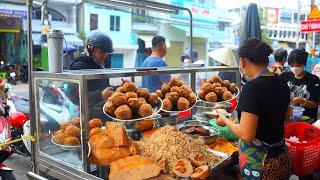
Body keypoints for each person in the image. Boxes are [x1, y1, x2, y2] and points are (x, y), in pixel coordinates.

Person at [216, 38, 291, 180]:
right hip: (281, 158)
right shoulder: (282, 83)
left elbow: (246, 134)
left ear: (242, 61)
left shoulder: (252, 87)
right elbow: (287, 117)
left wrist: (225, 120)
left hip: (262, 165)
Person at [68, 30, 114, 119]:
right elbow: (75, 97)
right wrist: (100, 95)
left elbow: (103, 87)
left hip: (104, 114)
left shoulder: (100, 66)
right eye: (101, 52)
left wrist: (117, 89)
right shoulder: (78, 66)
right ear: (90, 49)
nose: (104, 57)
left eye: (106, 54)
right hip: (87, 118)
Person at [280, 49, 320, 121]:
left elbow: (315, 104)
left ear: (303, 64)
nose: (292, 67)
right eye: (290, 65)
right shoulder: (284, 76)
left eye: (294, 65)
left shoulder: (314, 80)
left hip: (307, 120)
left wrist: (301, 100)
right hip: (287, 119)